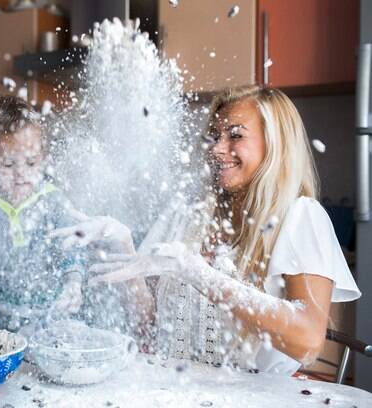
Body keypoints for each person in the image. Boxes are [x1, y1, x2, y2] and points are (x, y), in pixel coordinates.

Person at [52, 85, 361, 374]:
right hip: (176, 391)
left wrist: (198, 273)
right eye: (214, 136)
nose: (216, 148)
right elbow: (149, 325)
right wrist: (125, 246)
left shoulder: (300, 218)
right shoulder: (187, 215)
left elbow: (307, 343)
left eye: (235, 136)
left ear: (274, 144)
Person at [0, 95, 86, 332]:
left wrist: (74, 283)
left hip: (57, 321)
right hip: (6, 326)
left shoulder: (54, 201)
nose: (20, 174)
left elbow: (72, 249)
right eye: (8, 165)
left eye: (31, 163)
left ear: (42, 157)